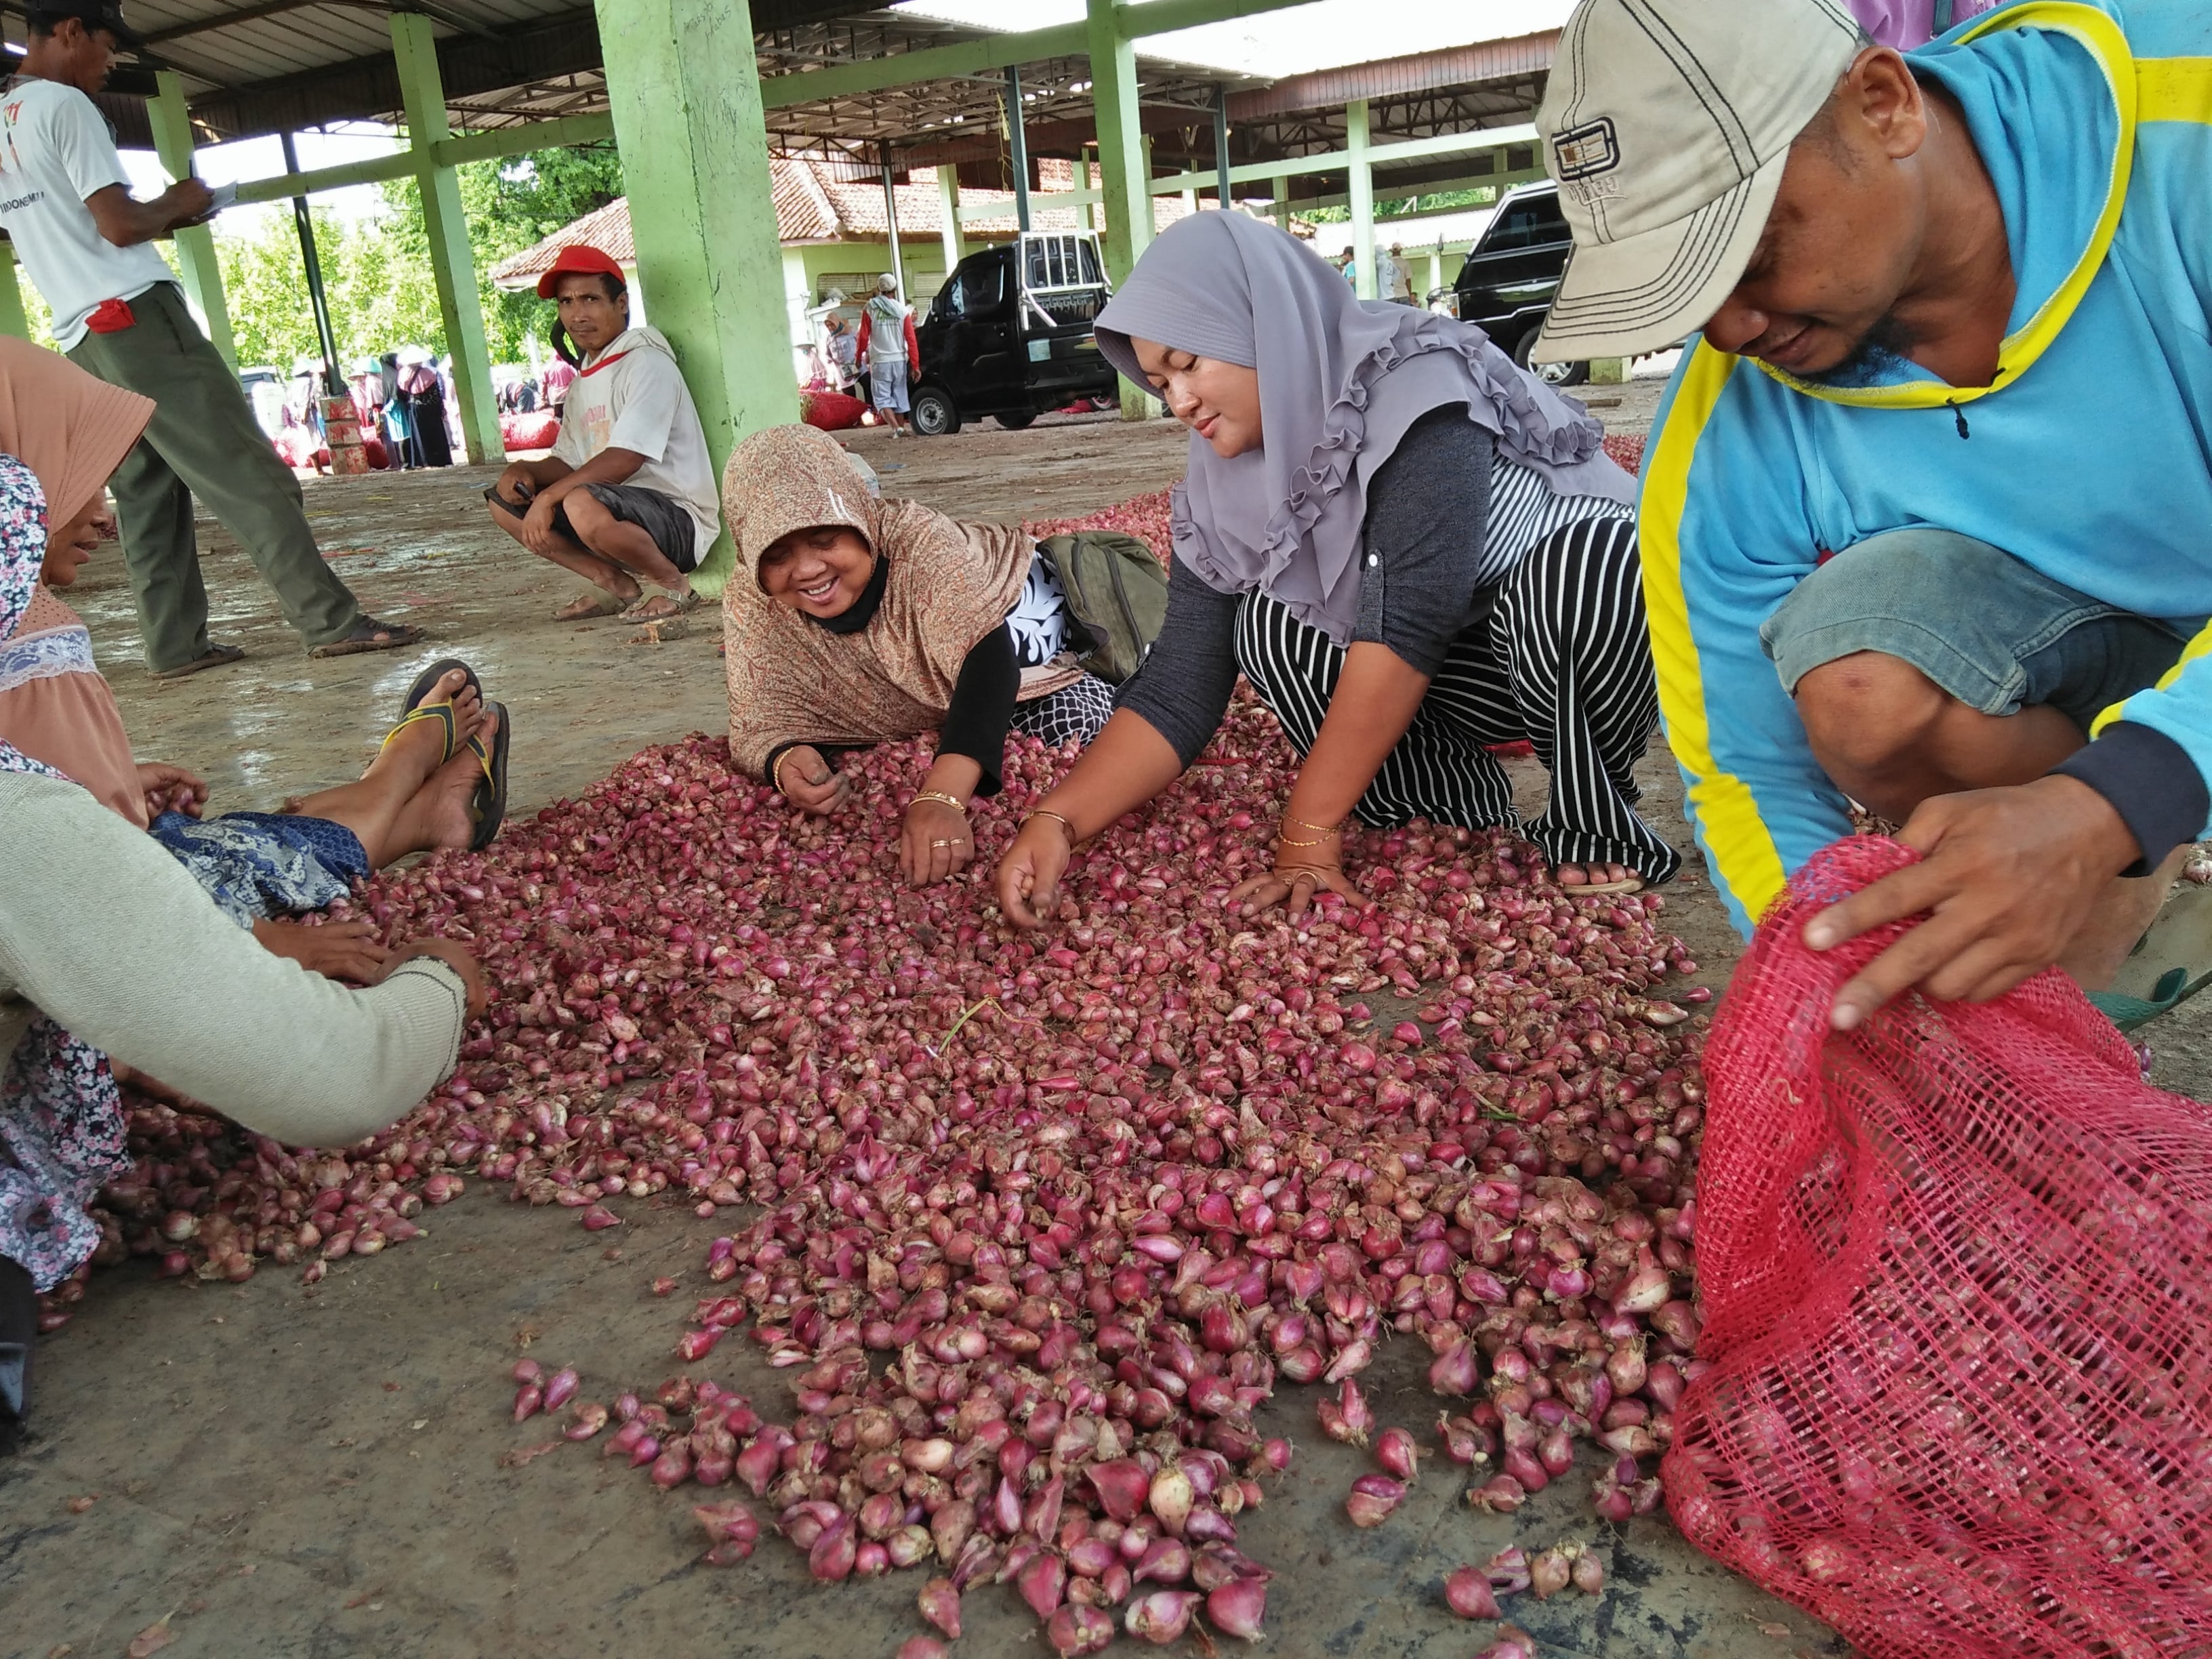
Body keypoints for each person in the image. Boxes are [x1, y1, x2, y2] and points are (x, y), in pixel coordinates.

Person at [1530, 0, 2212, 1032]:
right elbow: (1738, 762)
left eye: (1749, 255)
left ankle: (2127, 830)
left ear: (1884, 105)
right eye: (1686, 297)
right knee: (1861, 684)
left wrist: (2110, 802)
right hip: (2081, 645)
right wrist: (1823, 984)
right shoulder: (1727, 417)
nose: (1730, 328)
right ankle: (2115, 931)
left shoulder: (2186, 134)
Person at [994, 212, 1674, 930]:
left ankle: (1591, 810)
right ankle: (1441, 807)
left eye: (1189, 364)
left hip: (1573, 645)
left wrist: (1307, 831)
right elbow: (1178, 687)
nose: (1180, 402)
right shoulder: (1223, 481)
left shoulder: (1417, 386)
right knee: (1269, 623)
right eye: (1160, 382)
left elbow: (1411, 620)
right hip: (1447, 674)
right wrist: (1058, 821)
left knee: (1586, 569)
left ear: (1263, 324)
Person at [0, 757, 487, 1450]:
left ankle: (397, 793)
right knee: (224, 861)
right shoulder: (20, 827)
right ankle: (398, 787)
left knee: (180, 850)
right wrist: (442, 980)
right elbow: (342, 1074)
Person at [0, 338, 512, 978]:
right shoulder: (33, 635)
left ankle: (417, 812)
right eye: (83, 480)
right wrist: (260, 944)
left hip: (43, 898)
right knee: (255, 855)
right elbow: (91, 880)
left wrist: (113, 780)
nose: (106, 519)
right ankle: (396, 783)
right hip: (77, 931)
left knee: (231, 836)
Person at [0, 3, 420, 673]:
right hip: (135, 316)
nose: (108, 66)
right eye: (106, 48)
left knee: (148, 492)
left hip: (81, 333)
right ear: (71, 31)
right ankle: (330, 619)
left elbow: (58, 229)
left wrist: (157, 218)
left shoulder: (4, 117)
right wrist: (182, 203)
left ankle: (174, 644)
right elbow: (116, 224)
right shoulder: (64, 104)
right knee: (248, 472)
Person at [723, 424, 1119, 887]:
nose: (809, 569)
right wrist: (786, 759)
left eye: (826, 540)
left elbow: (988, 660)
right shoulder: (752, 599)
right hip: (957, 656)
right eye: (778, 554)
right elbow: (759, 714)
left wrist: (942, 797)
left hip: (1015, 614)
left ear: (861, 520)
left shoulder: (918, 543)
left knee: (1076, 729)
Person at [487, 245, 719, 625]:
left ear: (622, 303)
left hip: (679, 520)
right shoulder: (584, 380)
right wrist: (526, 471)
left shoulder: (646, 363)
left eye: (591, 299)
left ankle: (673, 584)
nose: (577, 314)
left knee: (578, 501)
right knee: (504, 502)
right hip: (611, 512)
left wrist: (549, 497)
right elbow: (569, 461)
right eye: (566, 302)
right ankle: (615, 584)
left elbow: (626, 458)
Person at [857, 274, 919, 436]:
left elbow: (863, 337)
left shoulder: (871, 308)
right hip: (899, 360)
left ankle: (896, 428)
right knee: (898, 396)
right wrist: (915, 365)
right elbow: (911, 339)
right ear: (895, 290)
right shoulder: (902, 309)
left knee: (882, 399)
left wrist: (858, 358)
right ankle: (900, 429)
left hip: (880, 361)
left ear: (879, 289)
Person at [396, 348, 453, 469]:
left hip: (414, 408)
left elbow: (402, 393)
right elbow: (436, 393)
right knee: (436, 434)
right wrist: (441, 408)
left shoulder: (403, 374)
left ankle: (424, 461)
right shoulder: (428, 373)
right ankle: (441, 460)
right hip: (430, 408)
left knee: (419, 435)